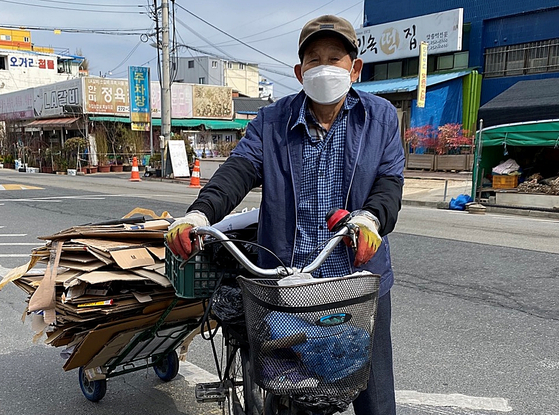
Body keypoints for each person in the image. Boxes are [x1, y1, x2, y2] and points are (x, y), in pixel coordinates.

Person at [167, 14, 405, 415]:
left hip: (358, 284)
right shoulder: (271, 121)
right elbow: (238, 170)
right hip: (289, 285)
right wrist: (199, 215)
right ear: (299, 72)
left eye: (335, 58)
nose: (324, 67)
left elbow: (389, 182)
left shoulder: (379, 118)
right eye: (315, 59)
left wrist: (371, 218)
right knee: (289, 392)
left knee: (375, 398)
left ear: (355, 68)